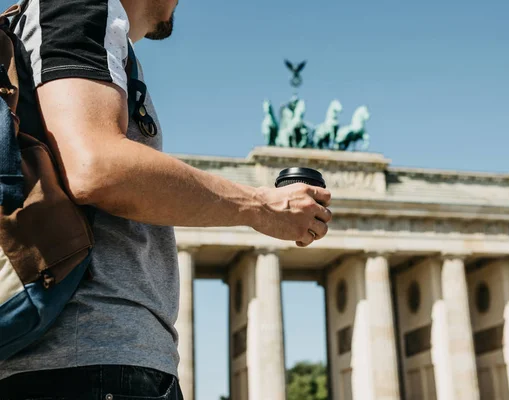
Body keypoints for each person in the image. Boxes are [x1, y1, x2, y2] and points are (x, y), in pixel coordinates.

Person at [0, 0, 332, 398]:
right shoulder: (79, 7)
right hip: (93, 357)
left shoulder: (76, 23)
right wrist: (259, 206)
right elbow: (96, 168)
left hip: (85, 360)